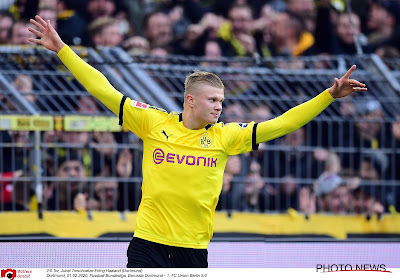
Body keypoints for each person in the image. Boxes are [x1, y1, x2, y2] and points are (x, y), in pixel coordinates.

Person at [28, 14, 367, 268]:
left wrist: (328, 96)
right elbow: (103, 88)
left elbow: (282, 124)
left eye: (221, 101)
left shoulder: (226, 136)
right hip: (148, 243)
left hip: (194, 250)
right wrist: (61, 49)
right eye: (212, 101)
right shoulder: (152, 121)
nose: (219, 107)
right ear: (191, 100)